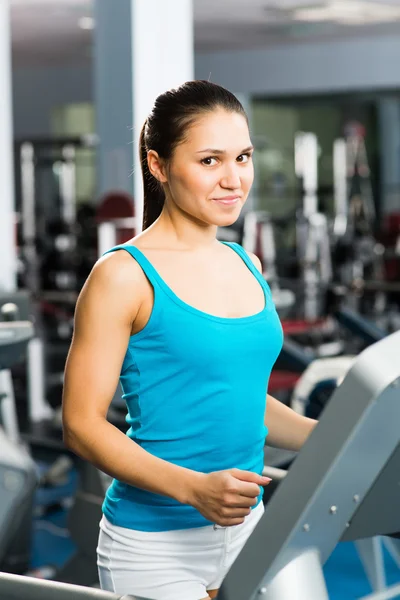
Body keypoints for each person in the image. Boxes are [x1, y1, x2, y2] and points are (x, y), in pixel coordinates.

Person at [62, 80, 317, 600]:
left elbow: (240, 398)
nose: (233, 179)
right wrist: (193, 489)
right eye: (209, 161)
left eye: (242, 157)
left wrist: (333, 436)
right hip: (153, 545)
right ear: (158, 165)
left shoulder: (248, 263)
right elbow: (81, 425)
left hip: (249, 528)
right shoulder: (123, 276)